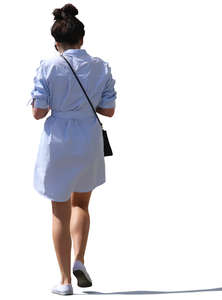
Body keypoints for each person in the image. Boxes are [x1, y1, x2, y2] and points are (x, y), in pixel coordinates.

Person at [27, 3, 117, 295]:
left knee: (59, 211)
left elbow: (39, 112)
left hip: (59, 142)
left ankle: (65, 281)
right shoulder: (101, 66)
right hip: (87, 138)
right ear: (82, 39)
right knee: (81, 204)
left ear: (57, 43)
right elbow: (109, 110)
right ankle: (80, 259)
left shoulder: (48, 66)